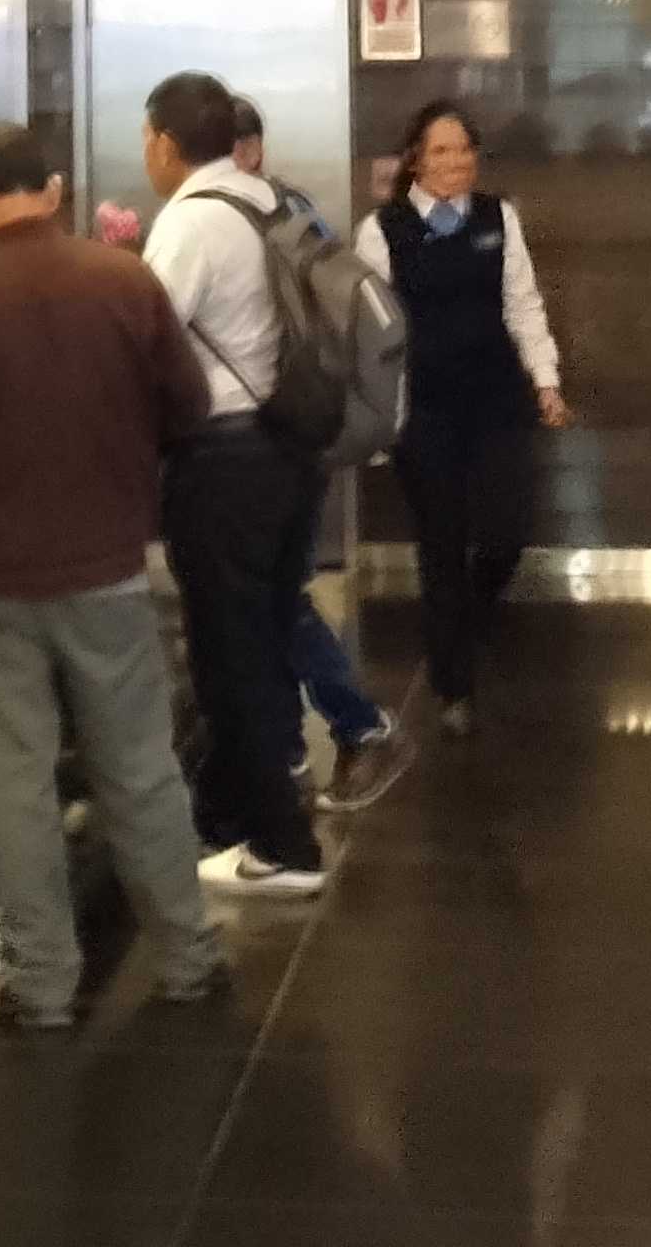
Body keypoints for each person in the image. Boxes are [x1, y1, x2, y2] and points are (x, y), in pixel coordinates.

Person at [0, 120, 233, 1033]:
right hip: (107, 568)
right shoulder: (125, 283)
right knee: (140, 769)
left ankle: (42, 983)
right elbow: (189, 407)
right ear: (53, 191)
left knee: (16, 783)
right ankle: (189, 960)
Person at [137, 70, 326, 896]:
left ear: (165, 143)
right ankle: (226, 817)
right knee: (263, 635)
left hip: (223, 463)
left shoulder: (190, 222)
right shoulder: (268, 201)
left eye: (148, 139)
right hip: (289, 448)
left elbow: (147, 338)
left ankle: (284, 847)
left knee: (230, 653)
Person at [355, 100, 567, 733]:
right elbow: (374, 335)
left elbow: (522, 304)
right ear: (416, 160)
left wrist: (546, 381)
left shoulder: (498, 218)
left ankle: (463, 620)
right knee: (441, 543)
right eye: (442, 150)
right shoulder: (383, 230)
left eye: (465, 149)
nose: (457, 161)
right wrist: (382, 419)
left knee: (506, 531)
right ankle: (453, 687)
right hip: (425, 409)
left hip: (496, 400)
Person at [232, 98, 404, 813]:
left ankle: (353, 726)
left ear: (249, 150)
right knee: (273, 594)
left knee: (274, 597)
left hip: (279, 430)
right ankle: (293, 749)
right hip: (295, 427)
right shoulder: (296, 212)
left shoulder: (261, 222)